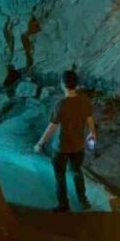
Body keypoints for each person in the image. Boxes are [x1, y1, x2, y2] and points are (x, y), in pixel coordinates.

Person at [34, 69, 97, 212]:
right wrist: (92, 134)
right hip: (78, 146)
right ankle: (83, 201)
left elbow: (51, 127)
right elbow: (90, 119)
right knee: (77, 172)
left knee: (60, 177)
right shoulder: (85, 101)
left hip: (61, 148)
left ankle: (64, 205)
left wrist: (40, 144)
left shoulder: (60, 104)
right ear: (76, 84)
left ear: (63, 84)